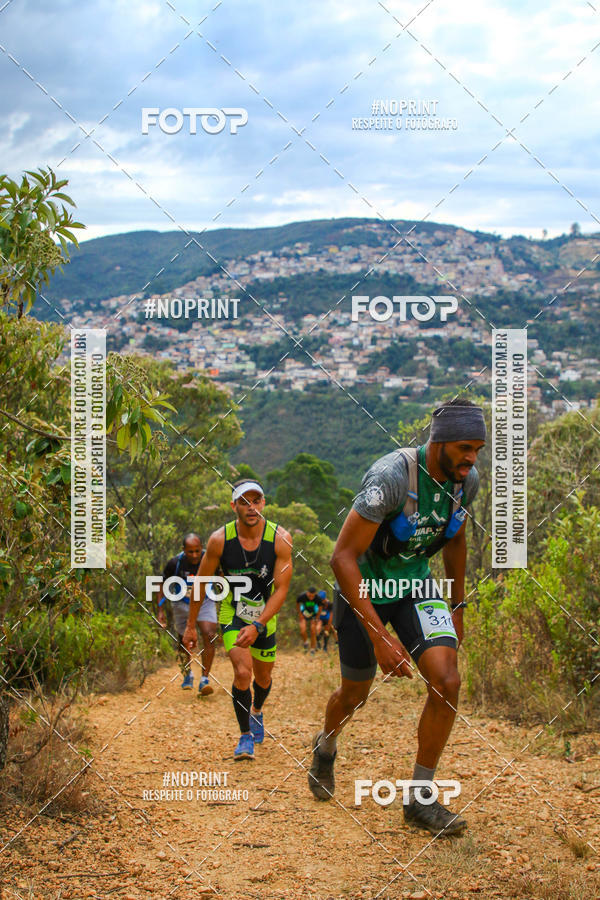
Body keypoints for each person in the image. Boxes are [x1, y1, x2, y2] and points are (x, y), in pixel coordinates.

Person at [308, 399, 486, 836]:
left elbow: (456, 539)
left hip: (416, 585)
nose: (471, 458)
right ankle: (326, 746)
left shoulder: (466, 482)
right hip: (364, 587)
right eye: (464, 447)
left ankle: (419, 799)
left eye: (478, 449)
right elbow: (342, 557)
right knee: (355, 693)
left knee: (447, 682)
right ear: (438, 442)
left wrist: (458, 606)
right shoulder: (390, 478)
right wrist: (380, 637)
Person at [183, 480, 292, 761]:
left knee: (264, 677)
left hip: (265, 616)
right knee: (243, 673)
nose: (251, 507)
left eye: (256, 500)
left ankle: (256, 711)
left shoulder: (280, 538)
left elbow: (281, 589)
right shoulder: (220, 540)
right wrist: (189, 625)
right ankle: (245, 737)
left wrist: (259, 626)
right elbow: (202, 583)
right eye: (244, 501)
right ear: (234, 506)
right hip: (233, 612)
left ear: (264, 503)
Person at [157, 533, 217, 695]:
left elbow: (223, 576)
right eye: (190, 552)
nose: (195, 555)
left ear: (201, 548)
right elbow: (162, 584)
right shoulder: (175, 563)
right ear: (183, 550)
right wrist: (160, 609)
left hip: (205, 601)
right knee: (183, 641)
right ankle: (187, 675)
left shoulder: (210, 558)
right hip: (181, 603)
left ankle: (205, 679)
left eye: (197, 551)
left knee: (209, 634)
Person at [296, 587, 321, 654]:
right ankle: (306, 642)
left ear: (315, 594)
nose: (311, 598)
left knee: (313, 631)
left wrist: (317, 617)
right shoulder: (302, 596)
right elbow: (297, 604)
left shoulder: (318, 598)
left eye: (313, 596)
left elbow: (320, 607)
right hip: (304, 613)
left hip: (313, 614)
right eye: (309, 596)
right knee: (302, 630)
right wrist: (300, 614)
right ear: (307, 593)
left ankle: (312, 649)